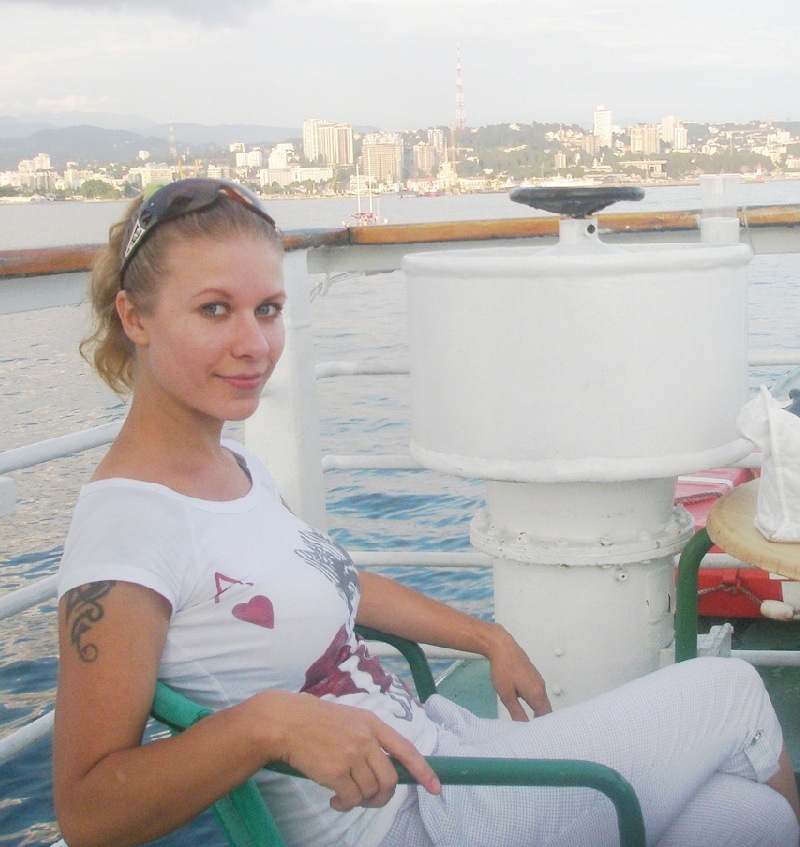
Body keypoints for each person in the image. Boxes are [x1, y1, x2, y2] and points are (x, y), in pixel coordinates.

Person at [54, 178, 800, 847]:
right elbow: (88, 813)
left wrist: (485, 635)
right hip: (412, 819)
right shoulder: (129, 530)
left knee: (749, 819)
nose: (253, 344)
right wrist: (263, 725)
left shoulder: (234, 469)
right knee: (730, 693)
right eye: (215, 309)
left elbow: (339, 582)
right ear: (135, 317)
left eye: (268, 309)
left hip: (443, 753)